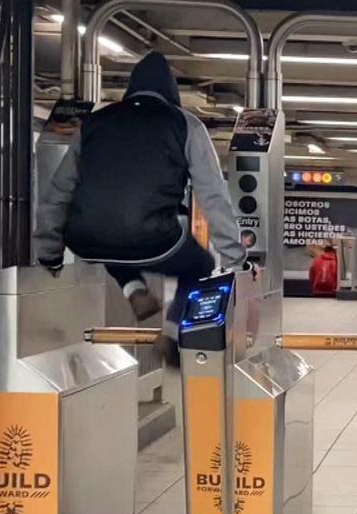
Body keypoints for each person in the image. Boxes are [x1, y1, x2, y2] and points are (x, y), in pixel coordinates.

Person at [33, 51, 245, 363]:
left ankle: (133, 289)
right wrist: (235, 260)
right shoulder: (185, 124)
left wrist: (48, 253)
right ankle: (172, 334)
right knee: (197, 267)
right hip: (151, 239)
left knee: (109, 241)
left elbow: (57, 191)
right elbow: (213, 196)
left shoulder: (93, 123)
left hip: (86, 240)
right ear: (171, 91)